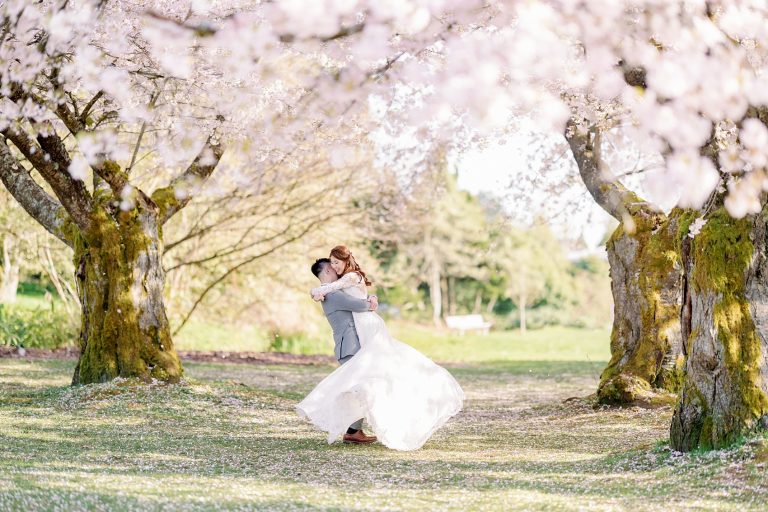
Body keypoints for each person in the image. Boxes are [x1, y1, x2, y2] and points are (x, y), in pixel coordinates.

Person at [296, 245, 465, 451]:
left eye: (335, 264)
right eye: (331, 266)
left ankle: (354, 431)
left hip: (354, 344)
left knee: (363, 388)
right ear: (326, 272)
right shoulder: (331, 295)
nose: (335, 269)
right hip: (350, 346)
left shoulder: (330, 292)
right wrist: (370, 301)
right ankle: (346, 427)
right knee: (360, 388)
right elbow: (358, 305)